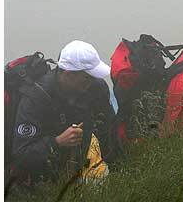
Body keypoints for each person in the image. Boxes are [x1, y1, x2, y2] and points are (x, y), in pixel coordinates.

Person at [10, 40, 114, 184]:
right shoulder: (36, 98)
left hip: (77, 171)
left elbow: (109, 130)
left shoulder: (95, 89)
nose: (92, 82)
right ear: (68, 73)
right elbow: (21, 155)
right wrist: (57, 142)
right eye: (87, 78)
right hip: (39, 180)